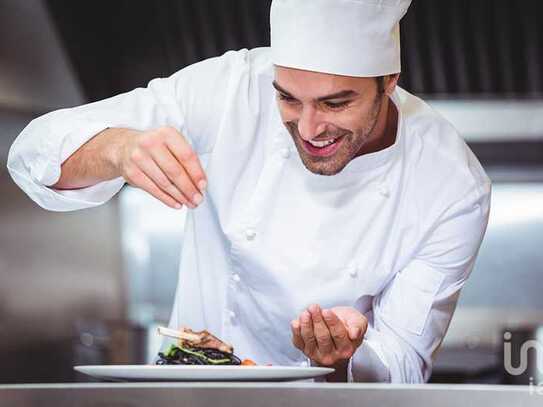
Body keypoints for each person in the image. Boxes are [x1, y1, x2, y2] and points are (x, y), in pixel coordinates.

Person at [7, 0, 491, 382]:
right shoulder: (230, 89)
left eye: (335, 102)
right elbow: (32, 155)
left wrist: (346, 359)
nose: (308, 127)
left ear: (389, 82)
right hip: (192, 395)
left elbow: (405, 364)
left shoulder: (450, 185)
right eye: (287, 97)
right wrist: (117, 149)